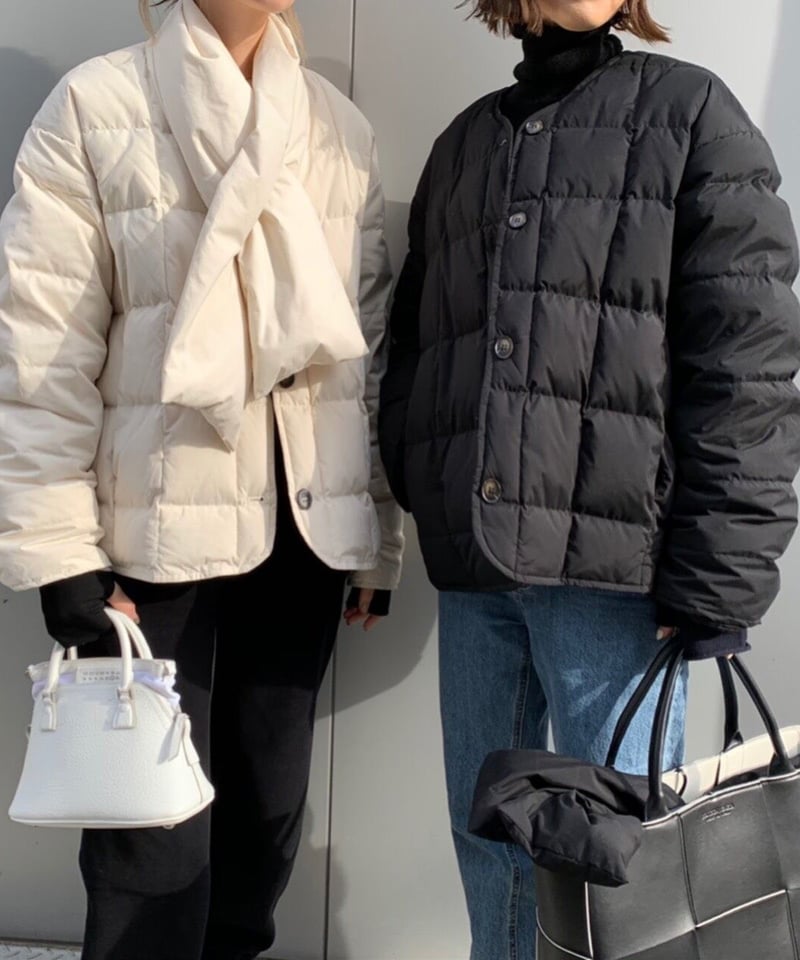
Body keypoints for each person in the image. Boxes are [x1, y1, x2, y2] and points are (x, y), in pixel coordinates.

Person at [379, 1, 800, 957]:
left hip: (618, 583)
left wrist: (720, 571)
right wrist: (420, 475)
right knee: (488, 846)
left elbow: (747, 360)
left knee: (622, 864)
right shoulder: (464, 144)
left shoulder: (691, 113)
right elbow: (415, 342)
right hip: (478, 572)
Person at [0, 0, 403, 957]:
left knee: (267, 811)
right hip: (152, 532)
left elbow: (366, 357)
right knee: (151, 833)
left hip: (303, 525)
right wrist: (57, 552)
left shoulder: (336, 129)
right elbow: (40, 351)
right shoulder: (97, 105)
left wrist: (377, 534)